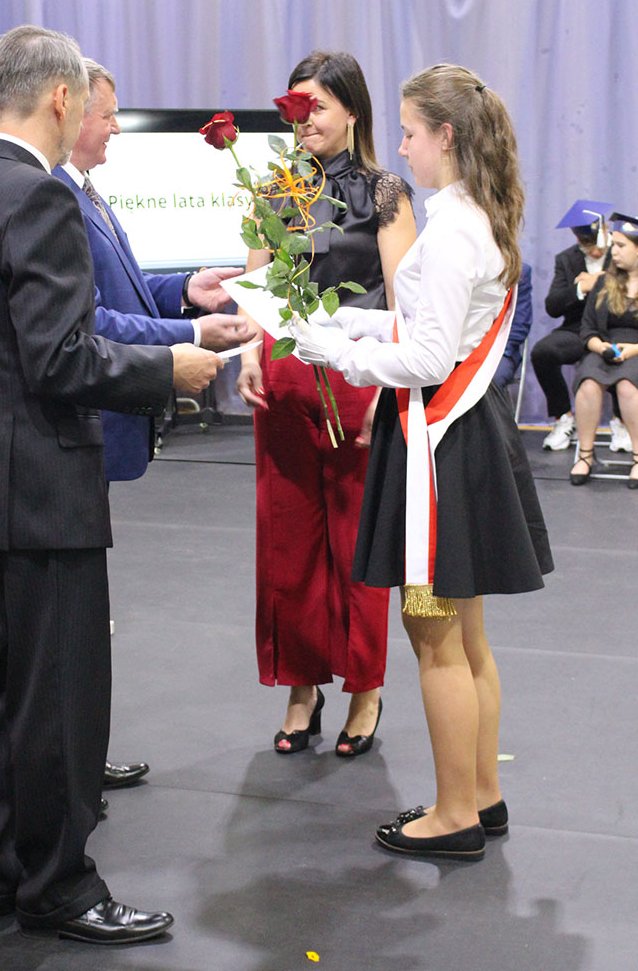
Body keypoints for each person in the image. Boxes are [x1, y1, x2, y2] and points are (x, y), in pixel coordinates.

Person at [0, 25, 221, 942]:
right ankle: (58, 886)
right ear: (60, 96)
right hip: (42, 488)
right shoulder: (40, 196)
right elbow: (60, 358)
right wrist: (168, 368)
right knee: (57, 695)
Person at [291, 63, 553, 861]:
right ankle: (482, 794)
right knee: (466, 637)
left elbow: (431, 358)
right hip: (468, 437)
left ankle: (452, 814)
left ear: (446, 134)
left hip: (438, 443)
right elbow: (443, 330)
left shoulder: (452, 231)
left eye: (409, 132)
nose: (400, 147)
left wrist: (339, 352)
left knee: (433, 634)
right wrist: (365, 327)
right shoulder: (479, 216)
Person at [53, 59, 253, 792]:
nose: (115, 128)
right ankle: (69, 760)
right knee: (70, 610)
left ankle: (77, 751)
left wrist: (186, 290)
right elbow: (91, 322)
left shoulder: (85, 191)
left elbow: (122, 291)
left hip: (97, 420)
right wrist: (188, 337)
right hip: (81, 418)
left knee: (83, 607)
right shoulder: (55, 196)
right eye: (108, 115)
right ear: (70, 111)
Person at [236, 50, 416, 756]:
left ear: (351, 110)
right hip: (284, 378)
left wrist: (390, 384)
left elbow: (404, 302)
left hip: (357, 379)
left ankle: (365, 689)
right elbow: (257, 284)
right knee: (287, 543)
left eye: (316, 104)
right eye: (295, 105)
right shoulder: (272, 187)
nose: (303, 117)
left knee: (355, 541)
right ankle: (301, 688)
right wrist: (250, 351)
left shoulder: (387, 192)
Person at [531, 201, 629, 452]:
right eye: (586, 245)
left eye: (597, 244)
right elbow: (553, 306)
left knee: (618, 355)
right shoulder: (566, 259)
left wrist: (598, 280)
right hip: (577, 330)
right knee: (543, 352)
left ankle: (621, 422)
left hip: (615, 328)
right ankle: (563, 417)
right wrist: (580, 288)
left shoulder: (622, 251)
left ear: (605, 231)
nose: (594, 251)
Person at [569, 212, 638, 488]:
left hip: (636, 351)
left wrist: (633, 350)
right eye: (614, 245)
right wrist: (600, 347)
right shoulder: (602, 282)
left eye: (621, 246)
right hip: (605, 348)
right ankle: (585, 455)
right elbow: (587, 329)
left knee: (627, 386)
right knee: (588, 384)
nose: (614, 252)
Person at [492, 262, 532, 392]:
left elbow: (519, 326)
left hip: (501, 350)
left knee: (490, 380)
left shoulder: (519, 271)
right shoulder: (465, 268)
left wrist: (497, 350)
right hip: (464, 349)